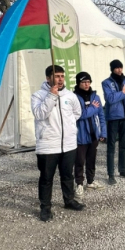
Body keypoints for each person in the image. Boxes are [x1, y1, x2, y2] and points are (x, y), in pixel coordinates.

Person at [32, 64, 84, 221]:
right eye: (56, 76)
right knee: (47, 178)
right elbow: (40, 114)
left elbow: (77, 112)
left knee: (67, 175)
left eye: (62, 76)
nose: (60, 79)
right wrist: (51, 96)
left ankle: (68, 200)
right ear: (48, 78)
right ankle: (45, 208)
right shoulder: (39, 95)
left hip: (68, 144)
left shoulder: (70, 96)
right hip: (48, 145)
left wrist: (67, 127)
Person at [102, 59, 125, 184]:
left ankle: (122, 169)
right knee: (111, 147)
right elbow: (110, 99)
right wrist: (122, 92)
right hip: (113, 117)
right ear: (112, 69)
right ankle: (111, 174)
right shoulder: (106, 83)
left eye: (120, 67)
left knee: (124, 146)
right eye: (116, 68)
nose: (119, 70)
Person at [73, 71, 106, 196]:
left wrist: (103, 132)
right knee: (80, 161)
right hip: (80, 135)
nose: (86, 84)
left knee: (91, 160)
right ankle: (79, 184)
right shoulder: (74, 97)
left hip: (94, 134)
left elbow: (101, 115)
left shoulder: (95, 97)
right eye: (83, 82)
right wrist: (92, 108)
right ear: (78, 83)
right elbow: (79, 115)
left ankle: (90, 182)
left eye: (88, 82)